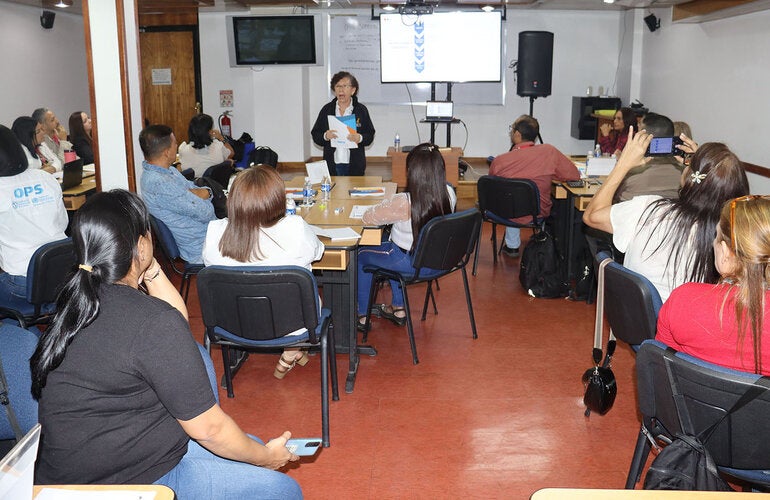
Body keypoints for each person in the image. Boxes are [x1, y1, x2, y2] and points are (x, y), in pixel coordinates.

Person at [30, 190, 302, 498]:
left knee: (247, 442)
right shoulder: (152, 321)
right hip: (127, 482)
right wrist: (268, 459)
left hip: (87, 467)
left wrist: (149, 267)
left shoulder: (75, 304)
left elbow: (176, 328)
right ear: (141, 244)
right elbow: (210, 431)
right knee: (281, 489)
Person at [583, 127, 749, 301]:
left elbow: (591, 215)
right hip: (691, 325)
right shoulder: (735, 239)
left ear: (689, 177)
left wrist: (623, 163)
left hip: (632, 323)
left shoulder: (648, 210)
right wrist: (708, 168)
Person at [203, 166, 324, 379]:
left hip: (231, 324)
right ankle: (292, 349)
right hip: (294, 326)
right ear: (278, 200)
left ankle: (292, 352)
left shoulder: (215, 232)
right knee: (312, 294)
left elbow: (210, 267)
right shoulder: (295, 228)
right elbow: (318, 251)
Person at [657, 196, 770, 375]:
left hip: (687, 402)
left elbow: (661, 370)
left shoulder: (683, 300)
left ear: (725, 251)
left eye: (716, 236)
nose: (712, 243)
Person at [357, 143, 456, 327]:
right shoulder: (449, 193)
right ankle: (398, 307)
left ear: (412, 172)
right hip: (440, 261)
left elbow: (367, 218)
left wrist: (386, 204)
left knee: (361, 256)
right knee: (392, 243)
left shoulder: (403, 202)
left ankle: (362, 315)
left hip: (411, 263)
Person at [488, 115, 580, 257]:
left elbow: (492, 188)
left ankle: (512, 246)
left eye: (512, 130)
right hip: (537, 213)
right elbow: (574, 175)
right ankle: (542, 244)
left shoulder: (500, 161)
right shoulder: (549, 152)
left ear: (517, 134)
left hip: (506, 213)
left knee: (511, 199)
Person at [0, 125, 68, 310]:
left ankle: (24, 336)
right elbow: (63, 223)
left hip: (21, 284)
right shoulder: (45, 178)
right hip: (63, 272)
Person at [139, 124, 216, 264]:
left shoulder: (169, 171)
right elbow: (206, 212)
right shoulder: (158, 183)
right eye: (175, 143)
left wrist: (202, 193)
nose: (177, 146)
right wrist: (200, 194)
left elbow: (199, 190)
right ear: (167, 152)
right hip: (201, 245)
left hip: (209, 234)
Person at [311, 71, 375, 176]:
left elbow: (370, 135)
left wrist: (360, 138)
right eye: (338, 86)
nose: (341, 90)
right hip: (332, 165)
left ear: (353, 90)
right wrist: (326, 136)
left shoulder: (361, 110)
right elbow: (315, 135)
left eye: (345, 86)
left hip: (355, 165)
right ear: (334, 90)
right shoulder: (327, 109)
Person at [614, 112, 683, 202]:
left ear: (643, 137)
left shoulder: (630, 171)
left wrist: (621, 164)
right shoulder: (684, 172)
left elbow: (614, 197)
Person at [178, 113, 235, 178]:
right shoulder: (218, 147)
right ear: (210, 131)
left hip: (192, 186)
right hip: (214, 186)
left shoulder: (183, 149)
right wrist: (221, 138)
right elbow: (231, 153)